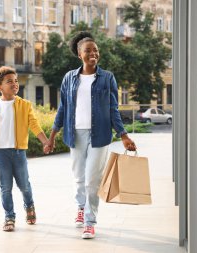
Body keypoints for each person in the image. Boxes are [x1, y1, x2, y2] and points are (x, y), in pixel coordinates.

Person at [45, 31, 136, 239]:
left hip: (100, 135)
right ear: (80, 54)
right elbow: (63, 108)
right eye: (88, 50)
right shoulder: (69, 78)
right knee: (79, 178)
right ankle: (80, 206)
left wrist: (123, 134)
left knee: (92, 180)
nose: (93, 53)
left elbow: (113, 109)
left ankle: (90, 221)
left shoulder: (107, 78)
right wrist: (51, 137)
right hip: (74, 134)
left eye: (96, 50)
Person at [0, 66, 50, 232]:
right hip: (0, 153)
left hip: (18, 151)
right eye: (9, 82)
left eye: (15, 81)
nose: (14, 84)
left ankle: (29, 206)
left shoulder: (24, 105)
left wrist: (45, 142)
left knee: (24, 185)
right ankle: (9, 216)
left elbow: (34, 125)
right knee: (5, 187)